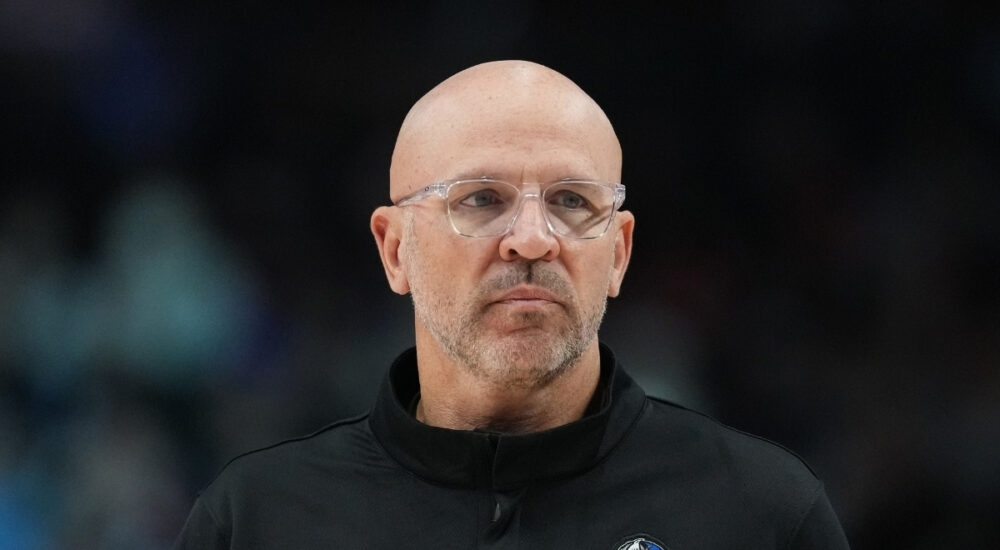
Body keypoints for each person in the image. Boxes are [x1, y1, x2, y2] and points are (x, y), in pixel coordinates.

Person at [174, 60, 850, 549]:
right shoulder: (257, 521)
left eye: (571, 202)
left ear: (617, 253)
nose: (532, 239)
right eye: (480, 199)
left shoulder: (763, 515)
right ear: (395, 249)